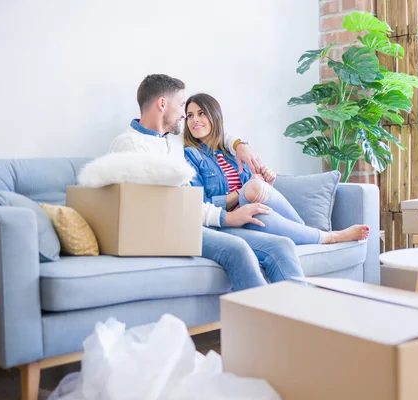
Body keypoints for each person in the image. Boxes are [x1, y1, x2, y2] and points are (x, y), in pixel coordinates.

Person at [109, 74, 304, 290]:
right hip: (165, 229)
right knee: (238, 249)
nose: (185, 116)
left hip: (188, 222)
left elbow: (214, 133)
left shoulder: (170, 142)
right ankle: (262, 321)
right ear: (163, 104)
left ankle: (298, 319)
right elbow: (167, 206)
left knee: (281, 245)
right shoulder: (130, 146)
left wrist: (239, 145)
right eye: (182, 106)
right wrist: (227, 217)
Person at [183, 93, 370, 245]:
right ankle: (328, 237)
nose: (194, 120)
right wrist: (244, 191)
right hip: (229, 219)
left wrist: (263, 181)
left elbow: (251, 183)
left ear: (215, 116)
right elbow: (200, 204)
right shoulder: (191, 155)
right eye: (190, 116)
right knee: (255, 195)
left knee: (258, 190)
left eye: (201, 113)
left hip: (250, 205)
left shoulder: (233, 152)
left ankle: (312, 234)